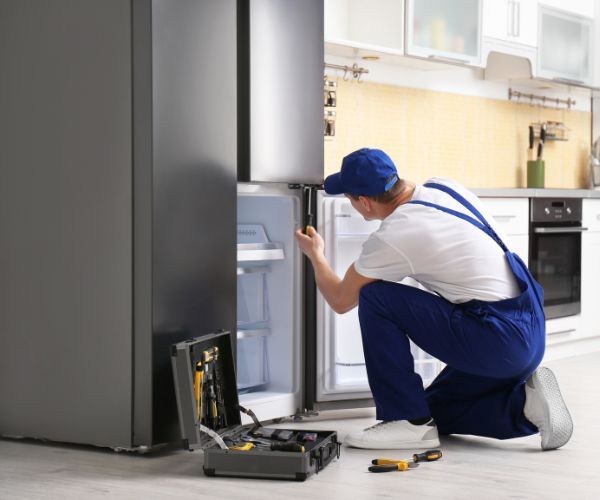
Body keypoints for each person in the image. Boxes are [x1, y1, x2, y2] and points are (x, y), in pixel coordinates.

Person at [295, 148, 573, 451]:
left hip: (497, 339)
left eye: (350, 198)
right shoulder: (444, 187)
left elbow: (340, 299)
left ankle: (405, 420)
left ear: (364, 202)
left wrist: (316, 255)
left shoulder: (395, 234)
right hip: (528, 327)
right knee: (433, 411)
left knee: (376, 297)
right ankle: (526, 407)